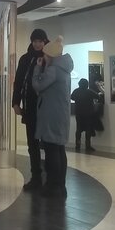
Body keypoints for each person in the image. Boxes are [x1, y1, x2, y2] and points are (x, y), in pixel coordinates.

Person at [32, 36, 73, 200]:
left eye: (45, 54)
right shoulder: (64, 69)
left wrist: (37, 69)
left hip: (51, 115)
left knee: (51, 151)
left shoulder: (53, 70)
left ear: (50, 55)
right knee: (59, 149)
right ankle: (60, 186)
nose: (44, 57)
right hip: (60, 114)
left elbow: (37, 85)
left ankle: (53, 186)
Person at [12, 28, 48, 191]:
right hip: (30, 106)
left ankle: (49, 178)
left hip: (45, 107)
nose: (37, 44)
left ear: (45, 41)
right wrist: (16, 102)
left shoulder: (49, 57)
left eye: (40, 41)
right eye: (35, 41)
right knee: (32, 143)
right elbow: (19, 81)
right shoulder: (26, 59)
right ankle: (36, 176)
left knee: (48, 143)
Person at [70, 78, 99, 153]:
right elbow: (98, 96)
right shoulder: (89, 92)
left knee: (78, 129)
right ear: (87, 84)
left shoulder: (76, 91)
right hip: (88, 114)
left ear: (79, 84)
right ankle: (88, 146)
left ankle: (77, 145)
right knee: (88, 130)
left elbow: (72, 97)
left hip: (78, 113)